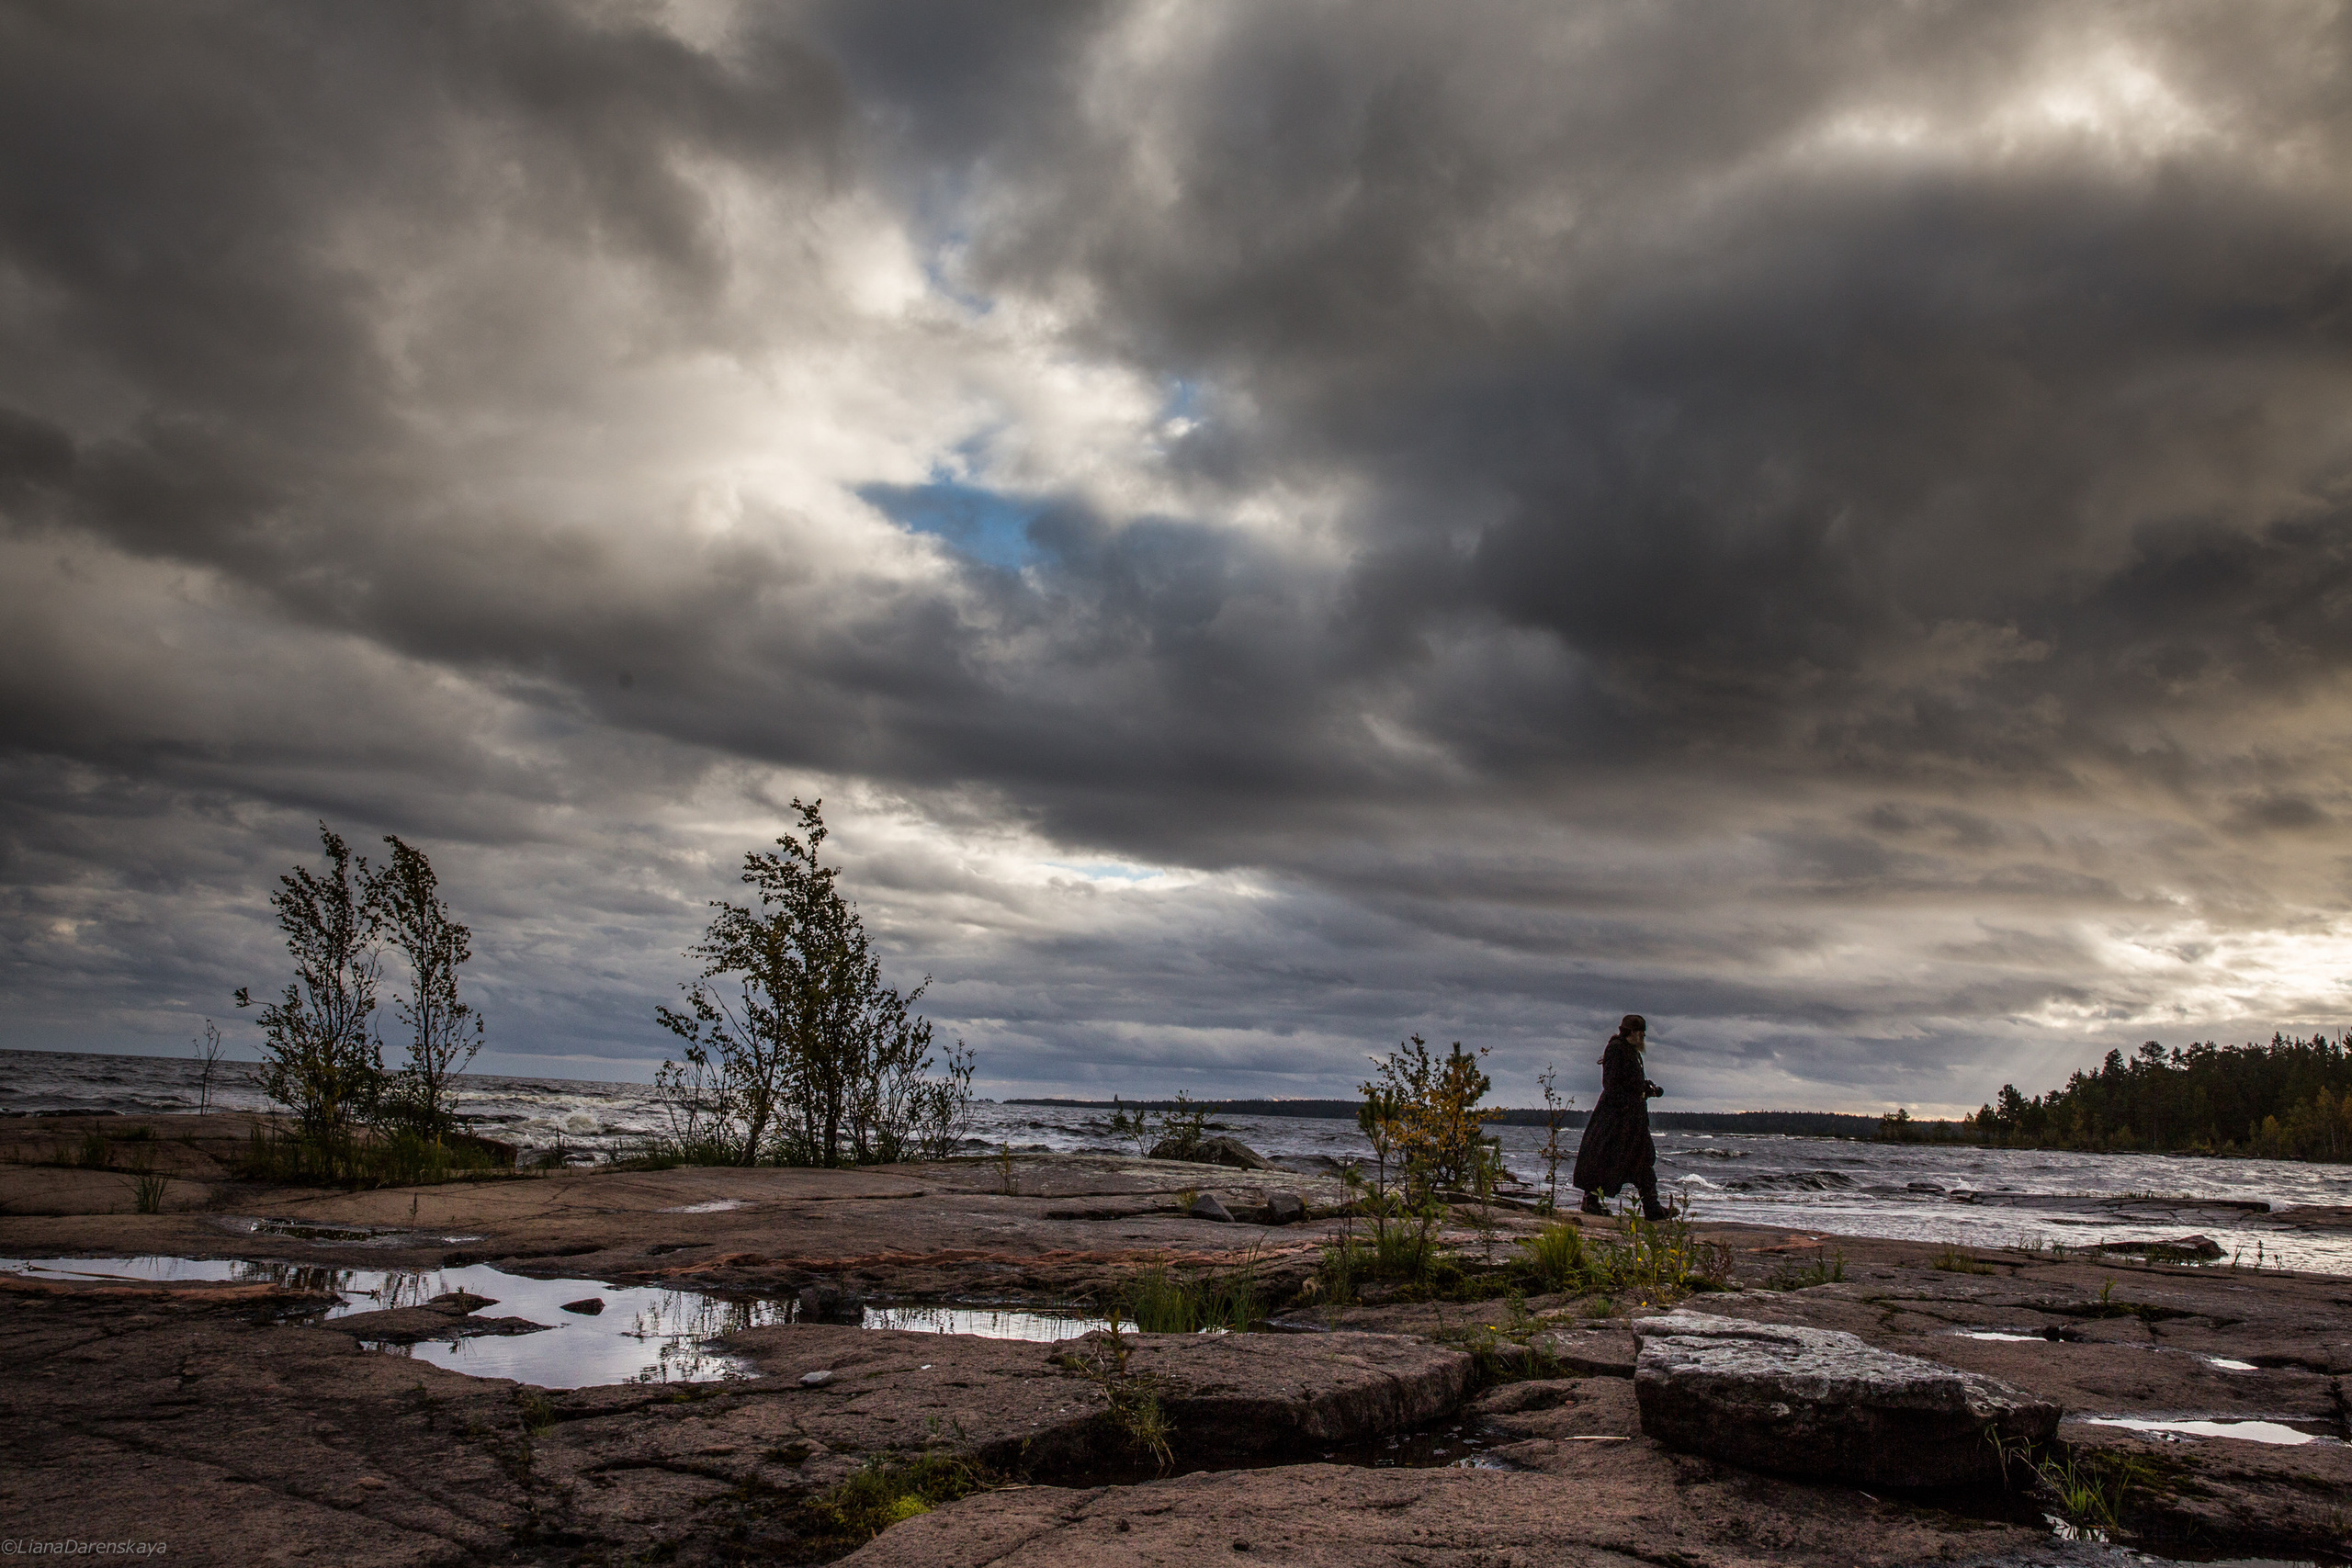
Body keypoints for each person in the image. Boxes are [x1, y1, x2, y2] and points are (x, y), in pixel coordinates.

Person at [1571, 1012, 1669, 1220]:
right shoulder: (1616, 1049)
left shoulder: (1632, 1052)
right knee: (1603, 1158)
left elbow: (1630, 1081)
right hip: (1615, 1118)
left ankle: (1652, 1207)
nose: (1643, 1037)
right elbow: (1612, 1085)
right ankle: (1590, 1201)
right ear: (1632, 1032)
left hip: (1633, 1119)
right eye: (1641, 1033)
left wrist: (1646, 1088)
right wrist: (1638, 1091)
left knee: (1643, 1160)